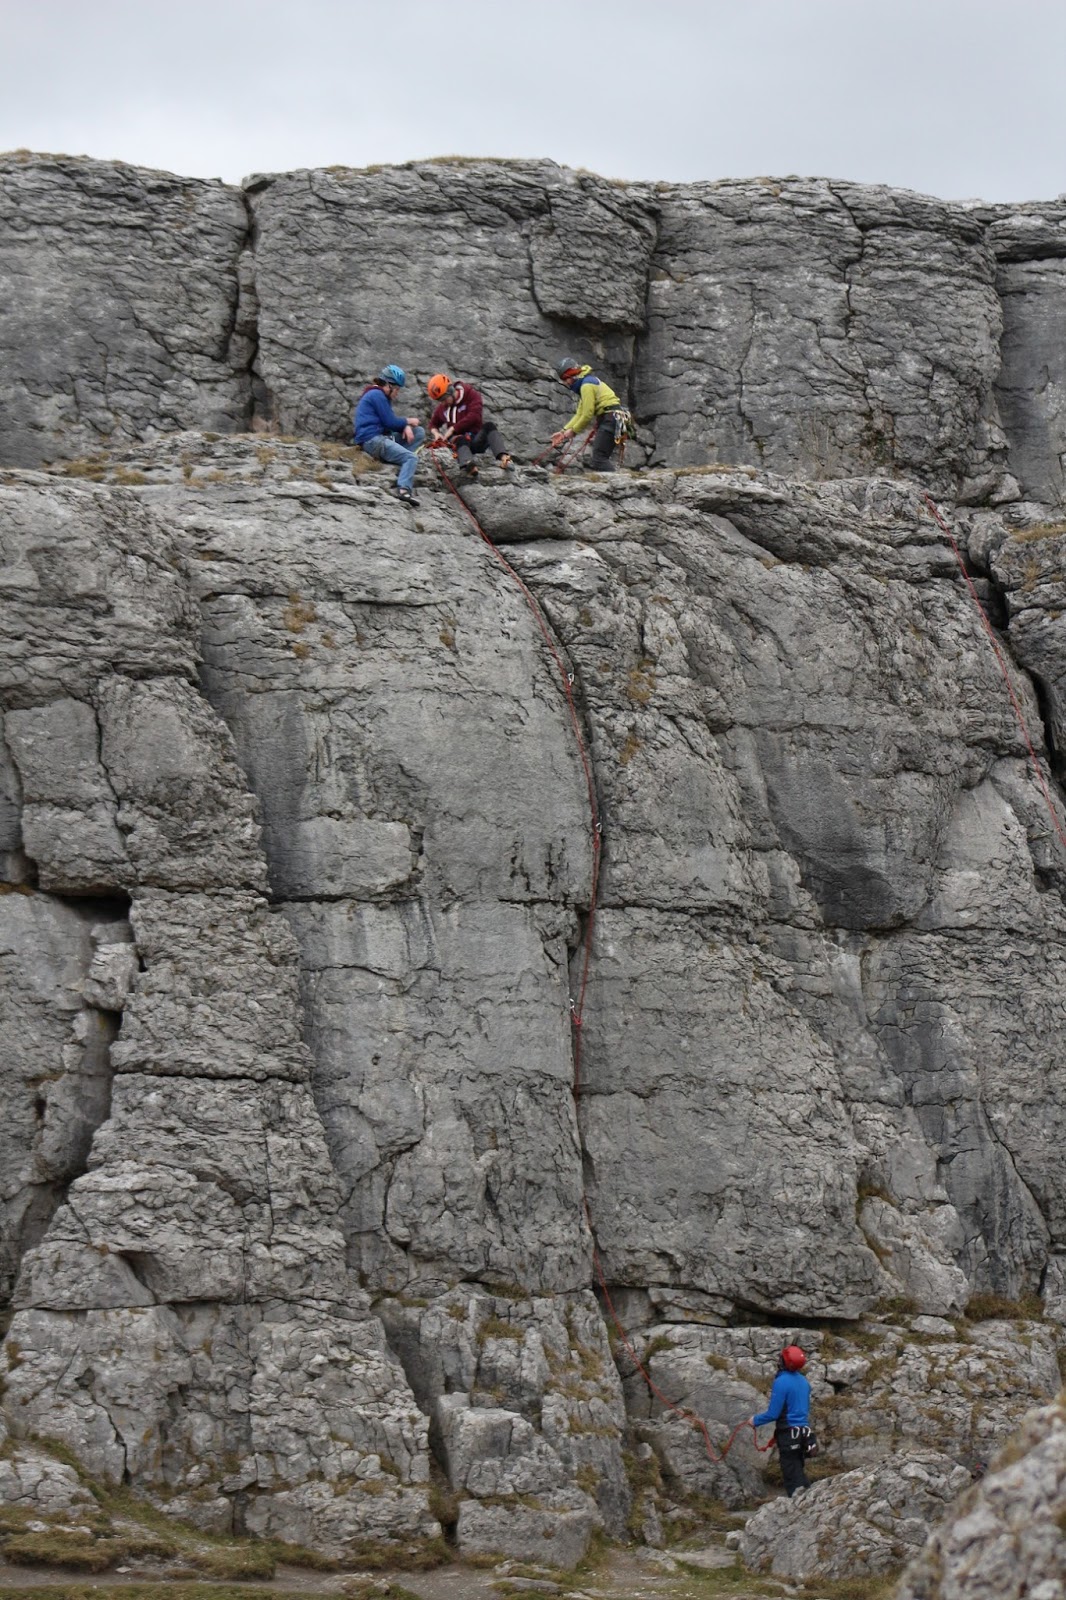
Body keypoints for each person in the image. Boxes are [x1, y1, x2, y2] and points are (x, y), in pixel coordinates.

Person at [352, 364, 426, 507]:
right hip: (373, 440)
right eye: (397, 389)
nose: (397, 393)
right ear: (388, 384)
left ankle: (401, 460)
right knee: (411, 457)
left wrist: (405, 426)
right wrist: (408, 422)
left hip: (379, 438)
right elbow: (390, 422)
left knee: (419, 432)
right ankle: (404, 489)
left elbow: (387, 424)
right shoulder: (377, 395)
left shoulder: (379, 395)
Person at [751, 1344, 815, 1498]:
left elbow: (773, 1413)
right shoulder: (803, 1381)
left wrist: (755, 1421)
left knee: (792, 1476)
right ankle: (809, 1500)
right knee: (798, 1469)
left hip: (789, 1434)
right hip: (805, 1433)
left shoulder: (781, 1382)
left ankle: (801, 1507)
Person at [550, 357, 631, 472]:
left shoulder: (586, 385)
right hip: (614, 418)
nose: (565, 383)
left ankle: (616, 484)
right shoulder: (586, 383)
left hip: (611, 418)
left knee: (599, 458)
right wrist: (563, 432)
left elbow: (587, 414)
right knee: (601, 456)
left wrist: (573, 431)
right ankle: (613, 482)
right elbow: (580, 414)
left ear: (571, 374)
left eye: (565, 378)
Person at [426, 373, 514, 478]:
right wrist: (436, 433)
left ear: (450, 391)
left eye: (444, 399)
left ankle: (505, 458)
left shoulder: (471, 395)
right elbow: (433, 424)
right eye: (440, 401)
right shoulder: (443, 408)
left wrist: (453, 429)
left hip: (475, 439)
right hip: (459, 444)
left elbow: (474, 416)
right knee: (459, 438)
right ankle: (468, 465)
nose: (443, 403)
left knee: (489, 426)